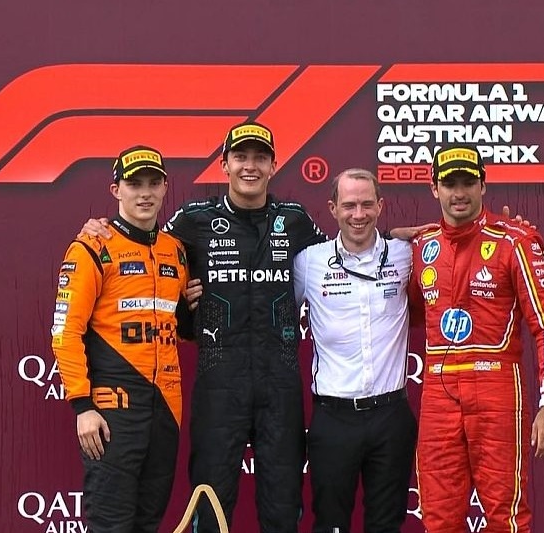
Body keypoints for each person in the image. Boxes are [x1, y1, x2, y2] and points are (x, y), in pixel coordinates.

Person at [78, 122, 327, 533]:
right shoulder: (194, 220)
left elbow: (345, 257)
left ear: (274, 166)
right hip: (219, 382)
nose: (250, 166)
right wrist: (100, 228)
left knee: (283, 506)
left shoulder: (294, 219)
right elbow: (141, 240)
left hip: (280, 382)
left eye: (260, 158)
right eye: (240, 157)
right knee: (210, 503)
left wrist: (392, 240)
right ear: (224, 165)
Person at [408, 144, 544, 533]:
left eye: (468, 182)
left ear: (483, 185)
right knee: (438, 518)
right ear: (434, 188)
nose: (459, 193)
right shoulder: (420, 246)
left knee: (505, 515)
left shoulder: (515, 240)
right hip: (439, 392)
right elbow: (403, 312)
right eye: (450, 184)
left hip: (496, 386)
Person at [51, 145, 190, 532]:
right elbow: (65, 331)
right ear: (116, 190)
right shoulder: (92, 247)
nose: (145, 193)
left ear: (165, 188)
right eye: (134, 184)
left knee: (149, 522)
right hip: (112, 410)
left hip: (166, 408)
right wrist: (82, 406)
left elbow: (183, 324)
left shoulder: (176, 251)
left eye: (153, 183)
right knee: (111, 524)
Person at [293, 169, 417, 533]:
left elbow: (457, 245)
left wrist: (508, 228)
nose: (358, 214)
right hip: (334, 418)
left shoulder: (405, 254)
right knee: (331, 524)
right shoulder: (309, 262)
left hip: (391, 415)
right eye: (349, 205)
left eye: (366, 204)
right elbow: (272, 312)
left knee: (386, 525)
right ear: (333, 208)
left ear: (380, 206)